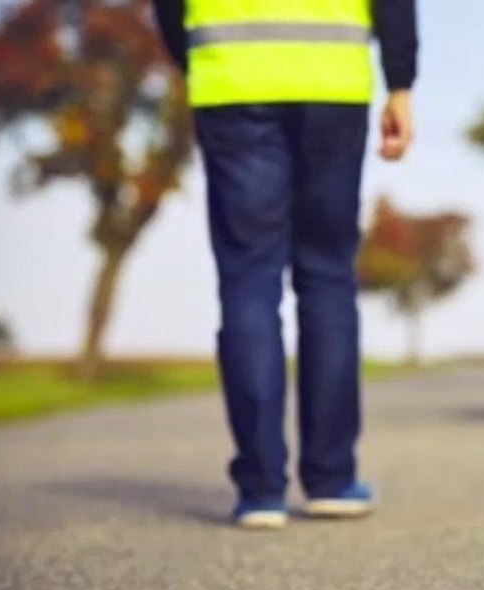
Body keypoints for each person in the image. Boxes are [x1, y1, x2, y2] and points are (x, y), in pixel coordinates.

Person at [150, 0, 418, 529]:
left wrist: (198, 64)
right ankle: (333, 479)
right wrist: (401, 84)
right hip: (332, 83)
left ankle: (261, 490)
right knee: (327, 278)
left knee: (249, 280)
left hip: (231, 83)